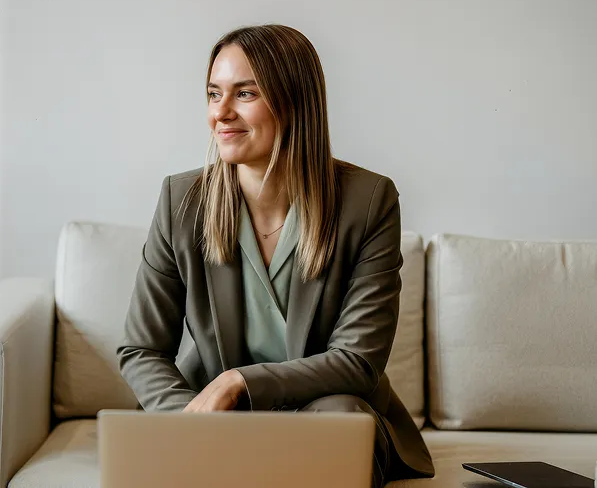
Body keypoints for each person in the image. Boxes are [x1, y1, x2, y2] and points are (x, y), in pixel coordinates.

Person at [117, 24, 434, 487]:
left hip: (326, 409)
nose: (220, 113)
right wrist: (191, 420)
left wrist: (239, 382)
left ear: (295, 102)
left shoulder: (368, 201)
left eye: (244, 94)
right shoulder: (180, 200)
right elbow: (141, 348)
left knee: (340, 419)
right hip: (217, 422)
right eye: (213, 94)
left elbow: (358, 361)